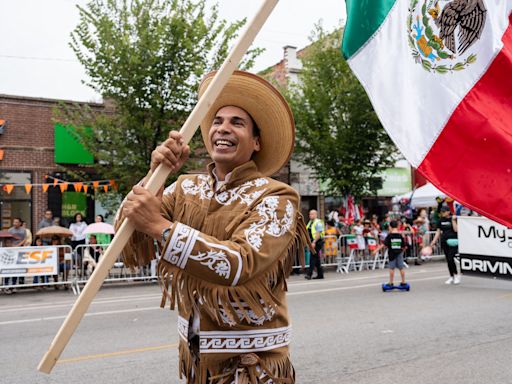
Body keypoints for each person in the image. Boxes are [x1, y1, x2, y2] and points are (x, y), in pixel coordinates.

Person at [116, 70, 309, 383]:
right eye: (218, 120)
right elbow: (127, 237)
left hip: (251, 364)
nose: (223, 128)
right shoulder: (184, 187)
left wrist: (162, 228)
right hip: (197, 359)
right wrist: (156, 175)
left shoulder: (277, 195)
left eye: (237, 122)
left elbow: (238, 263)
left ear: (257, 141)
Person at [430, 206, 461, 284]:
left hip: (453, 241)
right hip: (444, 241)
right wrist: (433, 241)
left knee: (451, 258)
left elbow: (456, 230)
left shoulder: (453, 219)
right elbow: (438, 232)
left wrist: (453, 220)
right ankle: (451, 276)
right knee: (448, 260)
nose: (442, 213)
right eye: (441, 212)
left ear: (448, 212)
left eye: (444, 212)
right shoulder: (440, 221)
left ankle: (456, 275)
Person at [384, 220, 407, 287]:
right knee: (401, 267)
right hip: (399, 253)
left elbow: (385, 245)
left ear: (390, 227)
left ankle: (391, 282)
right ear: (397, 226)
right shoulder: (400, 236)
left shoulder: (389, 236)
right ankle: (403, 281)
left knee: (391, 268)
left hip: (391, 253)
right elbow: (404, 246)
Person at [305, 209, 325, 280]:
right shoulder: (310, 222)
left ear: (316, 215)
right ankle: (320, 274)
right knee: (316, 258)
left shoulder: (318, 222)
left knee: (312, 258)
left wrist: (314, 242)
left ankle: (309, 274)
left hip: (317, 241)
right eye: (310, 214)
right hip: (312, 242)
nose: (310, 215)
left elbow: (318, 233)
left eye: (312, 214)